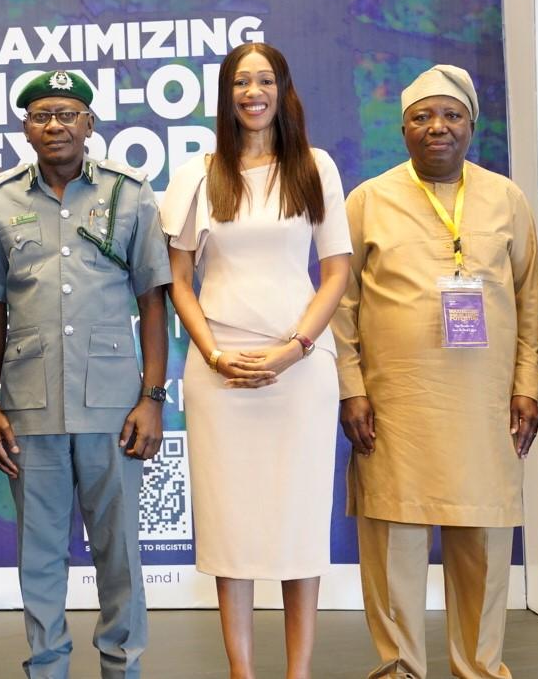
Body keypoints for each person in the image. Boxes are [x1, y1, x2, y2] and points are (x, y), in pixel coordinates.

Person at [331, 64, 538, 679]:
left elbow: (531, 300)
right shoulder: (368, 199)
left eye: (450, 115)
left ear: (471, 126)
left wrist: (527, 385)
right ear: (403, 130)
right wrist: (352, 390)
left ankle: (478, 669)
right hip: (396, 404)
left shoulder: (506, 198)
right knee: (394, 539)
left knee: (481, 541)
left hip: (485, 405)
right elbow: (342, 308)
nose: (437, 128)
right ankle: (400, 669)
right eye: (422, 117)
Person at [159, 41, 350, 679]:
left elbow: (336, 272)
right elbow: (178, 280)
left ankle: (298, 673)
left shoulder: (314, 166)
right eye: (241, 82)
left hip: (300, 370)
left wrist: (295, 349)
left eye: (265, 80)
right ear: (226, 94)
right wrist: (211, 353)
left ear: (283, 88)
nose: (253, 92)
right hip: (220, 372)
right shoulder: (197, 172)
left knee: (298, 528)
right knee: (231, 530)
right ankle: (242, 672)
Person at [0, 70, 172, 679]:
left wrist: (152, 397)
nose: (53, 125)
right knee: (37, 557)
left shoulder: (129, 193)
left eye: (66, 114)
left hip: (114, 406)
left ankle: (122, 666)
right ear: (24, 128)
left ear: (89, 123)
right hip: (29, 407)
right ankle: (47, 667)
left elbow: (153, 302)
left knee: (120, 555)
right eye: (40, 115)